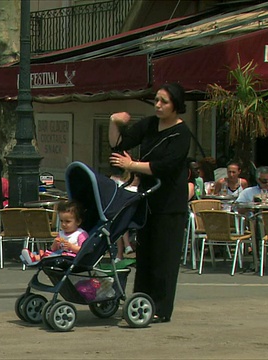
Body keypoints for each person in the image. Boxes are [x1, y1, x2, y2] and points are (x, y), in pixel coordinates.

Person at [108, 83, 191, 323]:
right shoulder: (149, 124)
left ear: (175, 105)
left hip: (170, 204)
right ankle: (142, 301)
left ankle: (161, 309)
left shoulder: (181, 133)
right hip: (148, 198)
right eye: (156, 100)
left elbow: (166, 166)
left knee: (164, 258)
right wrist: (114, 121)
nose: (158, 105)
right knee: (145, 257)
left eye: (163, 101)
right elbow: (119, 144)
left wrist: (132, 166)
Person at [20, 201, 89, 264]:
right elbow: (53, 249)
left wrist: (71, 247)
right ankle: (36, 257)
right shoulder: (61, 233)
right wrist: (55, 243)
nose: (64, 224)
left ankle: (37, 258)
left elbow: (84, 250)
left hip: (71, 257)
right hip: (59, 255)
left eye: (67, 221)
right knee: (51, 253)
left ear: (78, 222)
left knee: (52, 255)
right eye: (61, 221)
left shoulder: (80, 234)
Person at [109, 166, 135, 262]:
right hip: (122, 212)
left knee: (120, 220)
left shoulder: (135, 183)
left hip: (133, 212)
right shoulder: (117, 181)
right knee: (119, 221)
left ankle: (121, 253)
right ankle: (125, 248)